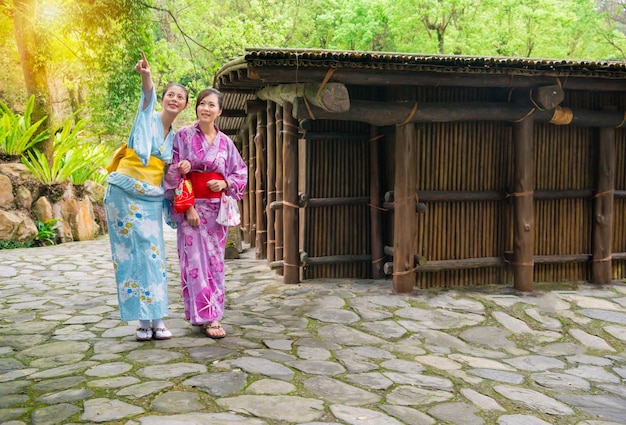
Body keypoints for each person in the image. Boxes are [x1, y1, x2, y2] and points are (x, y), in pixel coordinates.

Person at [104, 51, 188, 342]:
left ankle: (158, 318)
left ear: (185, 105)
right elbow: (147, 94)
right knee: (129, 256)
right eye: (171, 94)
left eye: (180, 97)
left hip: (151, 197)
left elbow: (172, 172)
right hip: (124, 191)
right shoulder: (146, 115)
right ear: (163, 98)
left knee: (154, 257)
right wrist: (146, 76)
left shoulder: (176, 138)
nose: (174, 99)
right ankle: (142, 321)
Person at [164, 88, 247, 339]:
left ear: (219, 111)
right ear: (196, 107)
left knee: (215, 263)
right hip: (191, 207)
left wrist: (225, 184)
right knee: (194, 263)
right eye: (202, 104)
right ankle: (208, 318)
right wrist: (187, 204)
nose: (206, 109)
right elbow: (170, 174)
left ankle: (211, 313)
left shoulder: (226, 143)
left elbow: (240, 173)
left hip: (216, 211)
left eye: (212, 105)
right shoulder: (183, 136)